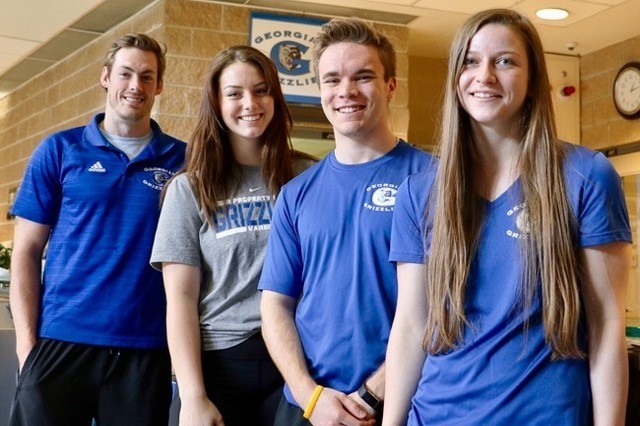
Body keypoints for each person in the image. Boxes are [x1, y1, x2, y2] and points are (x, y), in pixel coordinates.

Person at [383, 8, 631, 425]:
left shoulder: (585, 177)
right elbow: (411, 326)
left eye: (505, 61)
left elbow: (606, 326)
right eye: (471, 61)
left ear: (533, 80)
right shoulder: (419, 192)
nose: (485, 76)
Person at [259, 17, 433, 426]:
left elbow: (446, 305)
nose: (346, 92)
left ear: (391, 86)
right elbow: (275, 306)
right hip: (307, 407)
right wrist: (310, 396)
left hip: (402, 403)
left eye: (363, 76)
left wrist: (374, 393)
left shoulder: (435, 181)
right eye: (332, 79)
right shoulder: (296, 194)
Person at [9, 33, 186, 425]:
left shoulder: (183, 159)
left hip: (144, 347)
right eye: (125, 73)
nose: (135, 86)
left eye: (146, 76)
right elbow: (26, 250)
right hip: (61, 339)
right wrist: (27, 346)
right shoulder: (59, 150)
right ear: (106, 77)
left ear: (159, 85)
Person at [150, 45, 316, 426]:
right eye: (234, 93)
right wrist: (192, 396)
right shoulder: (189, 188)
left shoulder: (307, 176)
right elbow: (180, 299)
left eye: (261, 90)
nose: (250, 103)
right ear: (216, 102)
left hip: (296, 359)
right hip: (222, 363)